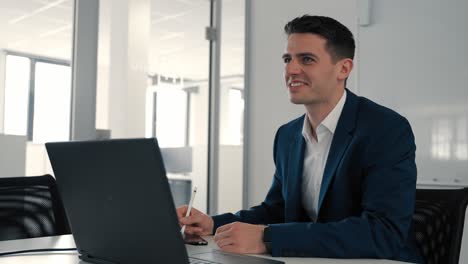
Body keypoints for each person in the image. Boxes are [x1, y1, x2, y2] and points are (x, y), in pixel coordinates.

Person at [177, 15, 423, 263]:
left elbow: (382, 233)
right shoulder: (288, 135)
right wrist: (212, 223)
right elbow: (277, 210)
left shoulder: (385, 129)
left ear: (344, 68)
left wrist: (268, 238)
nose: (291, 69)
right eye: (287, 59)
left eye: (306, 59)